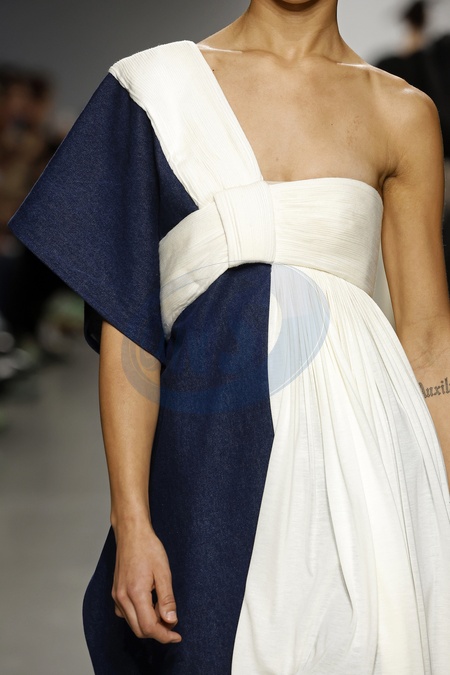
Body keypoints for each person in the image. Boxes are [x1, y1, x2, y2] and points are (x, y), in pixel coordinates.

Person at [8, 0, 450, 672]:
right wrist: (131, 519)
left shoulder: (401, 111)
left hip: (367, 458)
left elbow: (428, 340)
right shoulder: (154, 88)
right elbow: (131, 326)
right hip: (207, 452)